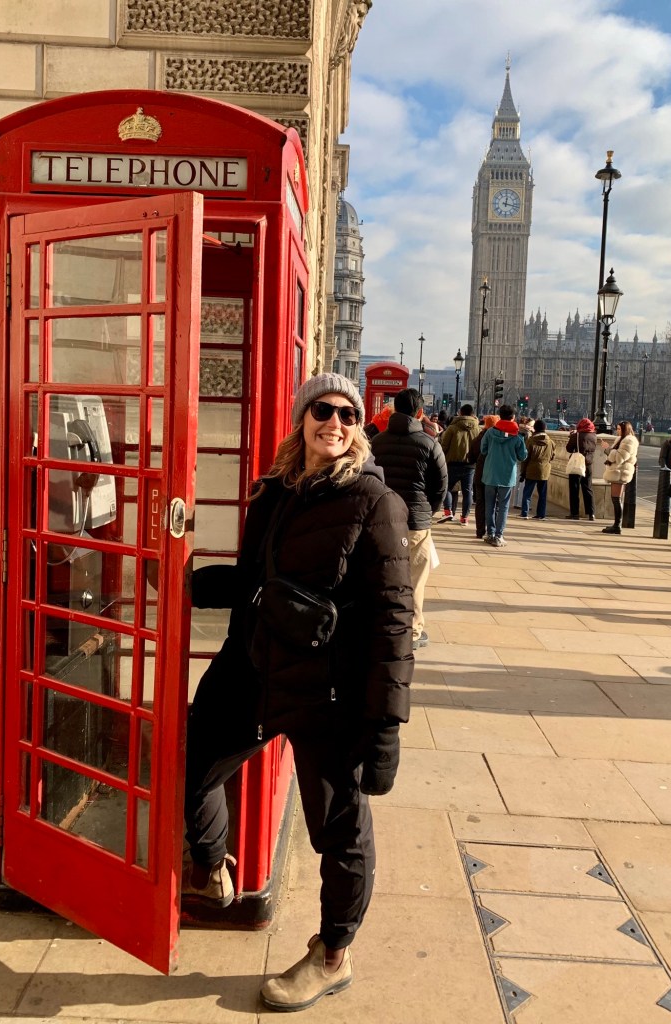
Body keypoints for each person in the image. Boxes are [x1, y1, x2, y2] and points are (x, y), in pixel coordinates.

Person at [182, 373, 414, 1012]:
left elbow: (394, 619)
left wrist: (385, 726)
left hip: (328, 691)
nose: (334, 422)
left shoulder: (374, 502)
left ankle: (333, 953)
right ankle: (212, 864)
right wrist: (188, 581)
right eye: (322, 409)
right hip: (253, 669)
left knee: (336, 831)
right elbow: (258, 582)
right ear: (301, 417)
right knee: (192, 764)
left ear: (359, 425)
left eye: (347, 413)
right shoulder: (275, 491)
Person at [371, 387, 447, 651]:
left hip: (382, 521)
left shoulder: (377, 442)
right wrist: (427, 511)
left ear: (393, 409)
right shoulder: (429, 443)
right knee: (414, 580)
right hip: (416, 521)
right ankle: (411, 631)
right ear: (420, 412)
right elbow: (440, 487)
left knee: (382, 576)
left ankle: (379, 624)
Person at [481, 403, 528, 547]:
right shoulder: (517, 437)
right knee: (503, 506)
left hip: (490, 473)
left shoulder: (490, 432)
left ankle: (490, 533)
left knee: (489, 505)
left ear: (500, 416)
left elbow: (483, 450)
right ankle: (499, 535)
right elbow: (522, 456)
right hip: (507, 476)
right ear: (513, 417)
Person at [437, 403, 481, 525]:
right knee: (468, 491)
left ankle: (448, 511)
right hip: (470, 464)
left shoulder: (452, 428)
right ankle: (465, 518)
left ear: (460, 413)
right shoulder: (478, 429)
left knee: (447, 488)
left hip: (452, 462)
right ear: (473, 414)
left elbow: (444, 446)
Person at [600, 420, 639, 535]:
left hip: (621, 472)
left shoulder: (629, 440)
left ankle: (617, 525)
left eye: (619, 429)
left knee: (616, 498)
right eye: (617, 429)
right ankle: (616, 524)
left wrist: (608, 449)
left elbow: (620, 457)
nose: (617, 431)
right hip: (617, 471)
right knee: (615, 498)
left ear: (625, 429)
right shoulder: (621, 439)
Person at [469, 414, 499, 540]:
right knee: (494, 503)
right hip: (494, 474)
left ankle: (480, 530)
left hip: (480, 474)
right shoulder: (498, 438)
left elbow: (470, 457)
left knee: (480, 503)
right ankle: (493, 530)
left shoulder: (479, 438)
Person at [520, 419, 556, 520]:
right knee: (542, 494)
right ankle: (541, 514)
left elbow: (525, 458)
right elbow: (553, 456)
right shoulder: (551, 442)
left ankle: (525, 513)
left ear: (535, 428)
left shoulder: (530, 440)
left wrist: (523, 472)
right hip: (544, 470)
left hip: (531, 469)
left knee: (527, 493)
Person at [565, 418, 597, 521]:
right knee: (588, 488)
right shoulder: (594, 436)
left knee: (574, 489)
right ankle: (591, 513)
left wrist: (573, 435)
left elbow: (569, 448)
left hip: (577, 463)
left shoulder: (576, 435)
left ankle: (575, 513)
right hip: (588, 464)